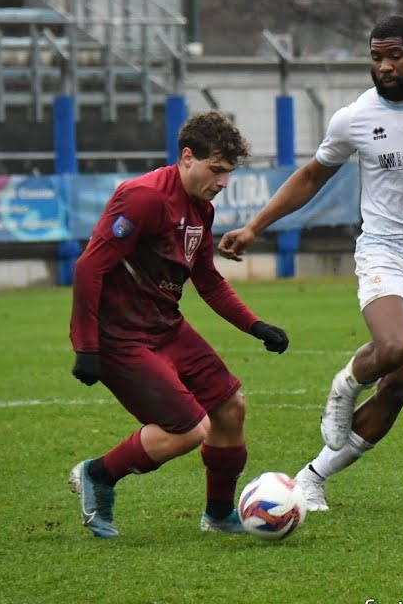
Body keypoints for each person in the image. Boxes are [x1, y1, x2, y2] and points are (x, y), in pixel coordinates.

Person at [217, 15, 403, 511]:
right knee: (390, 348)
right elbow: (310, 176)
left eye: (394, 56)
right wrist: (254, 228)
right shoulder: (354, 117)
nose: (385, 66)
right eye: (376, 57)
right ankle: (345, 383)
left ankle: (311, 477)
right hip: (383, 247)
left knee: (399, 387)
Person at [67, 111, 291, 539]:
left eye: (228, 172)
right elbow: (88, 267)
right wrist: (87, 346)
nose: (223, 182)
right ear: (187, 157)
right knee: (190, 430)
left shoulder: (200, 209)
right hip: (120, 336)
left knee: (231, 407)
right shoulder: (143, 198)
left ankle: (220, 515)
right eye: (217, 169)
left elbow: (207, 279)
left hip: (165, 327)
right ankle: (98, 474)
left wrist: (255, 326)